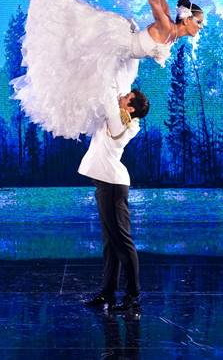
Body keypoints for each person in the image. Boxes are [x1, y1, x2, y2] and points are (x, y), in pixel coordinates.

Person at [5, 0, 204, 140]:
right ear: (187, 20)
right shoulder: (167, 28)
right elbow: (154, 1)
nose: (200, 27)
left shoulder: (172, 33)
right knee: (73, 19)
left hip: (123, 54)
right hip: (117, 42)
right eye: (198, 22)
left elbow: (163, 3)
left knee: (87, 74)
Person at [78, 84, 149, 313]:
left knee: (122, 241)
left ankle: (133, 297)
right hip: (108, 183)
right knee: (111, 243)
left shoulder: (120, 121)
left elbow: (108, 94)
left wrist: (108, 73)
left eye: (127, 96)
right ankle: (107, 293)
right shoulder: (120, 119)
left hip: (112, 185)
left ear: (131, 108)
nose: (123, 96)